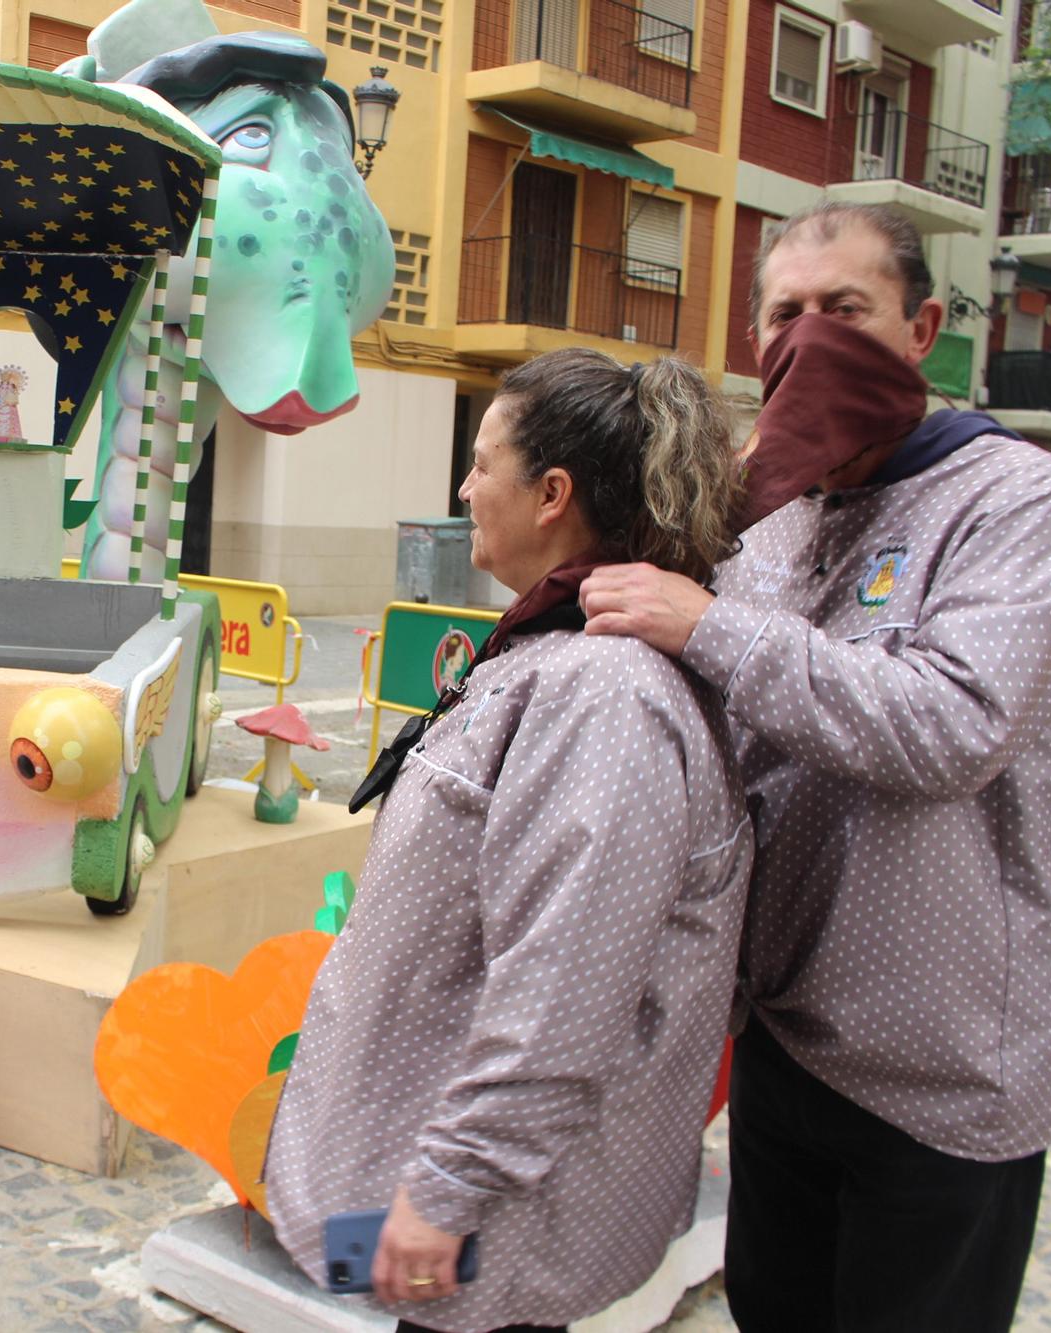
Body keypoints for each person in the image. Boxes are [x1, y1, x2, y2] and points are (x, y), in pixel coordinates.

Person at [581, 200, 1051, 1333]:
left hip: (946, 1063)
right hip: (783, 1034)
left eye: (844, 311)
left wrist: (706, 627)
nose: (807, 338)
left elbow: (949, 725)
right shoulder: (768, 510)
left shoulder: (1015, 499)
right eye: (783, 314)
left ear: (916, 329)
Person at [262, 349, 753, 1333]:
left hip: (495, 1215)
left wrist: (443, 1192)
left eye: (482, 463)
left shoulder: (603, 697)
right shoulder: (553, 657)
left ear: (550, 494)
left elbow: (563, 983)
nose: (462, 487)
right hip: (460, 1200)